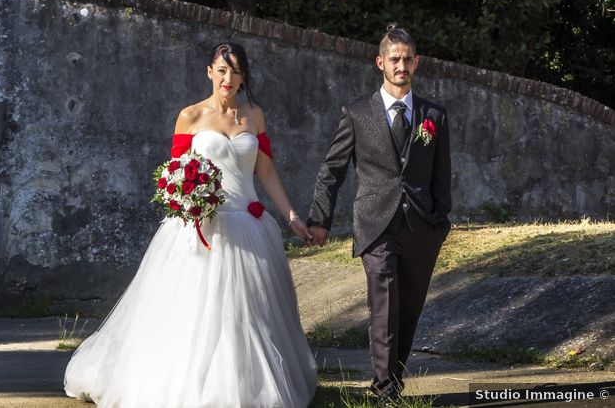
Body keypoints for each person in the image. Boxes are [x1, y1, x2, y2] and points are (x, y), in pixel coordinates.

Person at [64, 42, 317, 408]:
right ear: (209, 72)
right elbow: (174, 175)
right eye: (222, 70)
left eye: (236, 71)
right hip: (202, 229)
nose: (228, 78)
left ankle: (245, 388)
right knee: (195, 316)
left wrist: (292, 216)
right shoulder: (190, 117)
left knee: (247, 316)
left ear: (244, 76)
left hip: (250, 225)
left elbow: (265, 171)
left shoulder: (254, 116)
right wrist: (188, 201)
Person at [305, 24, 452, 400]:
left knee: (409, 308)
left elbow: (441, 173)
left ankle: (395, 380)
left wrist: (440, 221)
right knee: (384, 304)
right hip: (375, 224)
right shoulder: (356, 113)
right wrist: (319, 220)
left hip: (422, 225)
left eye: (407, 59)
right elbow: (332, 169)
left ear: (416, 63)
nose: (401, 65)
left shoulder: (434, 115)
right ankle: (384, 389)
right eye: (394, 59)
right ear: (380, 62)